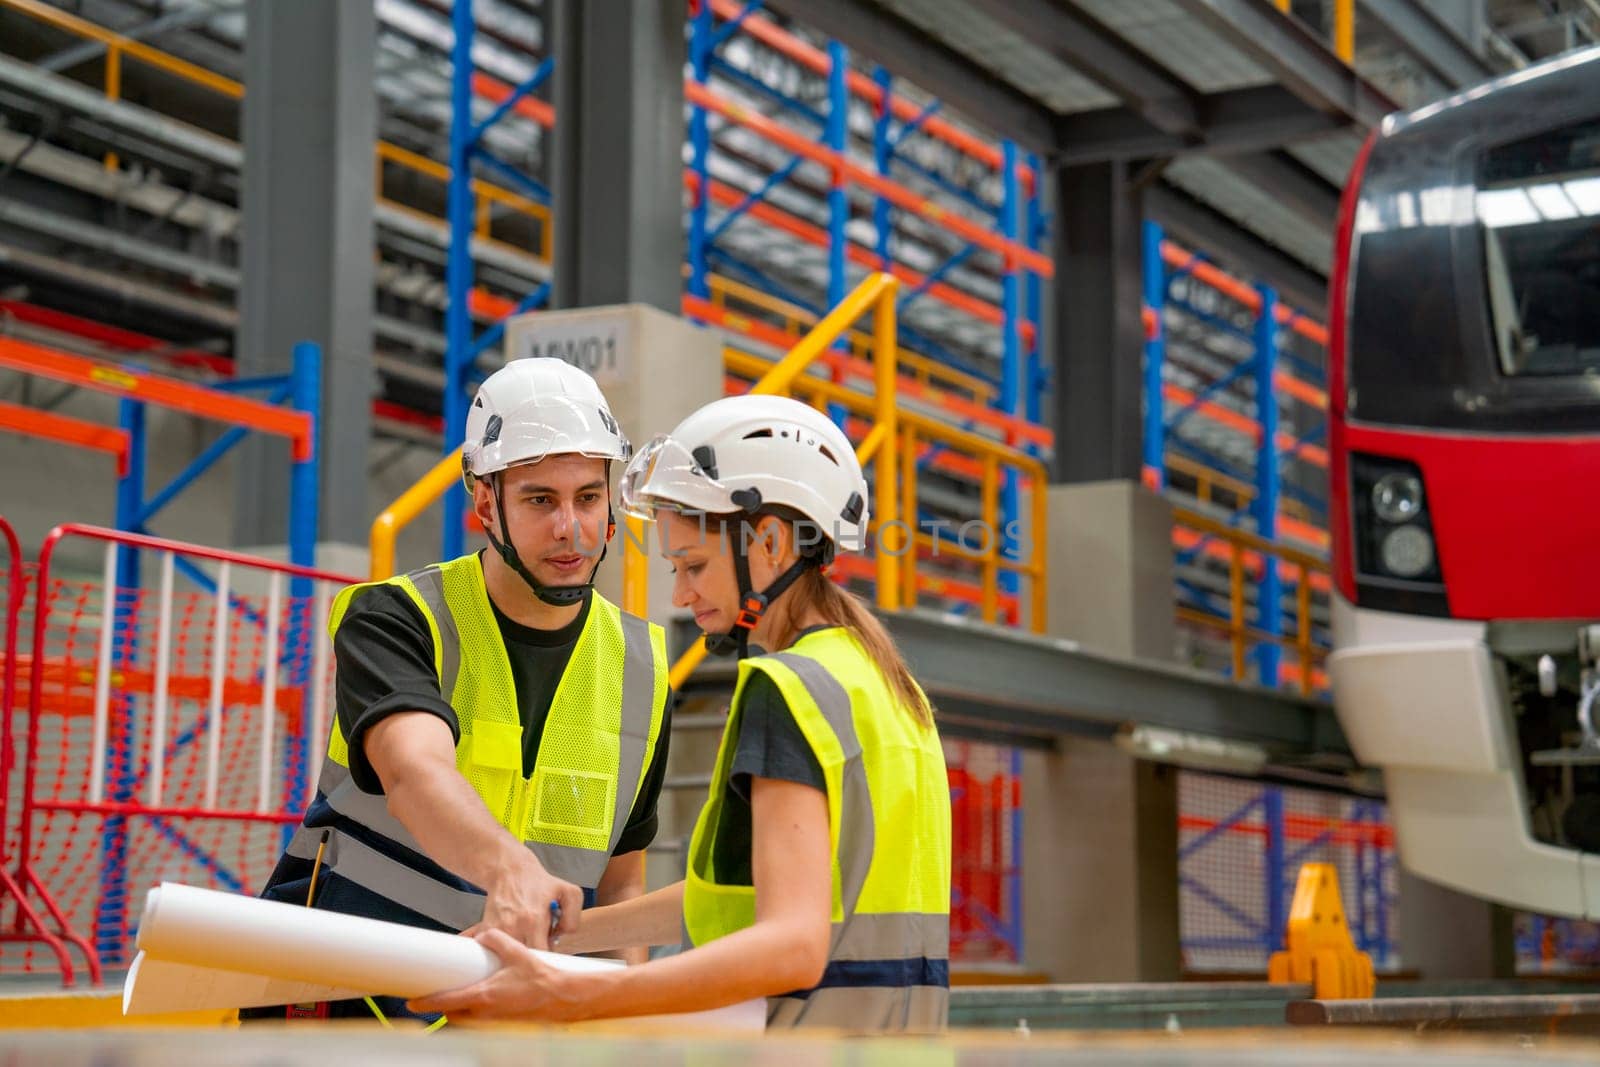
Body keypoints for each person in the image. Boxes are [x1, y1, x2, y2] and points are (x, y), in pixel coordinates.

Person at [410, 394, 952, 1032]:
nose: (680, 594)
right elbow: (731, 901)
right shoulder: (887, 687)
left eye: (693, 565)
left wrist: (571, 996)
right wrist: (553, 939)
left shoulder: (791, 687)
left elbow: (793, 946)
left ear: (771, 543)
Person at [245, 358, 671, 1021]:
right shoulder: (398, 617)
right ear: (484, 504)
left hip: (512, 1029)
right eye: (539, 499)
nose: (571, 527)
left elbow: (620, 883)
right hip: (347, 1013)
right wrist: (511, 871)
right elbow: (414, 769)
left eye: (588, 497)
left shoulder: (642, 667)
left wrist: (619, 1016)